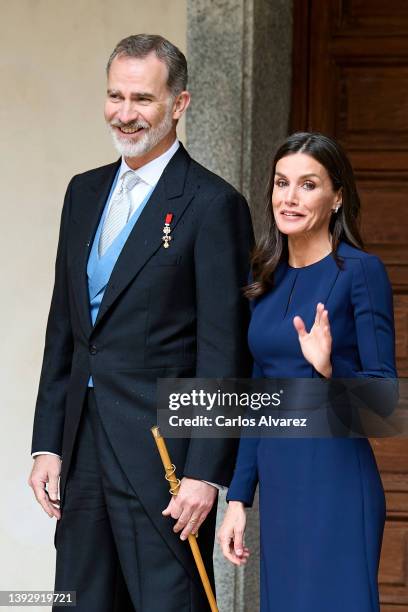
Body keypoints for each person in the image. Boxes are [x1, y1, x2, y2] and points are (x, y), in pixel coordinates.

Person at [28, 34, 253, 612]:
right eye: (116, 96)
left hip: (165, 456)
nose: (125, 114)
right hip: (80, 451)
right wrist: (47, 446)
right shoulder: (82, 192)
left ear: (178, 104)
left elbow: (223, 350)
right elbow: (67, 329)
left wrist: (204, 471)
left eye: (143, 99)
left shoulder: (212, 203)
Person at [218, 132, 397, 612]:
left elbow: (384, 404)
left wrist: (328, 367)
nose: (289, 197)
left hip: (336, 484)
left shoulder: (360, 272)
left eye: (308, 185)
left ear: (337, 197)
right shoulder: (266, 278)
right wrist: (238, 499)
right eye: (281, 183)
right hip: (281, 492)